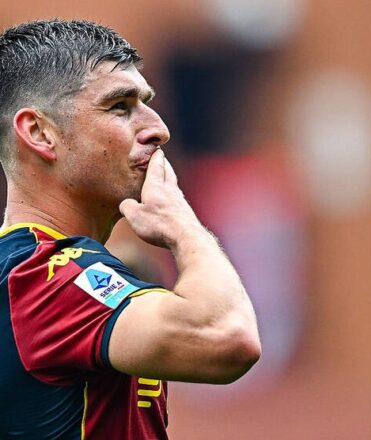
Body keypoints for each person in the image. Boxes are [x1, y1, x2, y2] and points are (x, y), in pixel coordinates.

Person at [0, 19, 261, 439]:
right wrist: (181, 224)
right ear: (39, 132)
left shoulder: (31, 274)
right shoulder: (43, 278)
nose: (159, 129)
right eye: (120, 107)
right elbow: (226, 335)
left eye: (146, 103)